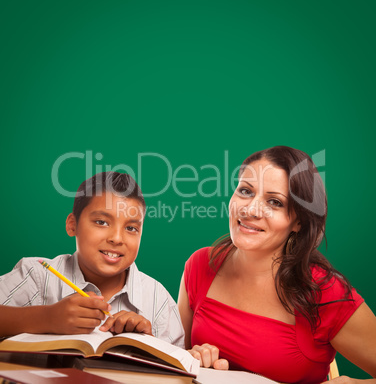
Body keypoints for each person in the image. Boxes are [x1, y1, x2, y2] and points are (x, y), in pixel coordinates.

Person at [178, 146, 376, 383]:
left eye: (274, 202)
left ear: (298, 222)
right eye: (245, 191)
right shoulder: (200, 265)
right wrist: (191, 358)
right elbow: (175, 362)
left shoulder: (324, 291)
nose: (251, 209)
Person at [0, 171, 184, 347]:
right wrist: (46, 318)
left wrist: (148, 343)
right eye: (102, 222)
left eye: (131, 228)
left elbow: (181, 367)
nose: (117, 238)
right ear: (73, 225)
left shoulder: (158, 300)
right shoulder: (37, 276)